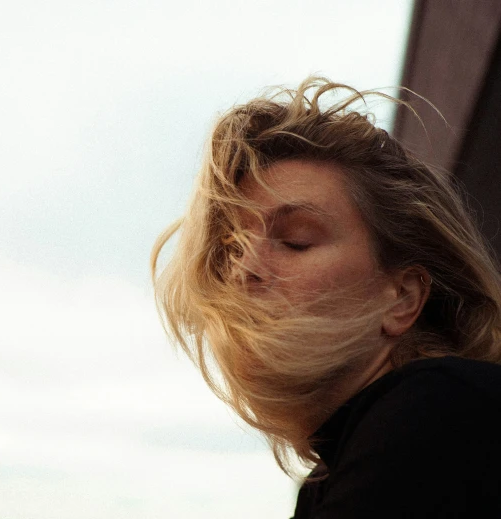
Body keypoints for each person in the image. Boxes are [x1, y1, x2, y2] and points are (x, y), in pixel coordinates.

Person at [150, 77, 501, 518]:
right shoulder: (329, 476)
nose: (244, 270)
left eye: (296, 240)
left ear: (403, 297)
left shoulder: (434, 410)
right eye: (233, 248)